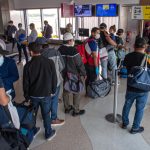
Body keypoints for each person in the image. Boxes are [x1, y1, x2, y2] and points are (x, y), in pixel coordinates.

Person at [23, 42, 57, 140]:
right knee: (46, 114)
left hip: (33, 95)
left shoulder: (28, 66)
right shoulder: (49, 62)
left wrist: (26, 96)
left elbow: (25, 83)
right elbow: (54, 78)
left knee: (32, 114)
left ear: (30, 52)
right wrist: (53, 90)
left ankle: (32, 131)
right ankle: (48, 133)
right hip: (46, 94)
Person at [122, 37, 150, 134]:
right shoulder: (148, 58)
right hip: (143, 88)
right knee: (140, 108)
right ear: (145, 47)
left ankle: (125, 123)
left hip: (131, 86)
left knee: (127, 105)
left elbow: (125, 67)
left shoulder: (128, 56)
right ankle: (135, 128)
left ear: (134, 46)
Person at [35, 37, 65, 126]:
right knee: (54, 100)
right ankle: (53, 119)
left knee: (46, 100)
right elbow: (62, 66)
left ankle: (46, 118)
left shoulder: (37, 55)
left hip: (42, 83)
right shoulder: (56, 52)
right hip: (55, 81)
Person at [58, 32, 86, 116]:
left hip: (64, 73)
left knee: (66, 89)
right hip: (74, 73)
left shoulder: (59, 49)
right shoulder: (73, 50)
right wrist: (84, 73)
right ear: (70, 41)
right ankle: (76, 110)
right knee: (76, 90)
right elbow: (79, 63)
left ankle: (67, 108)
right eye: (72, 40)